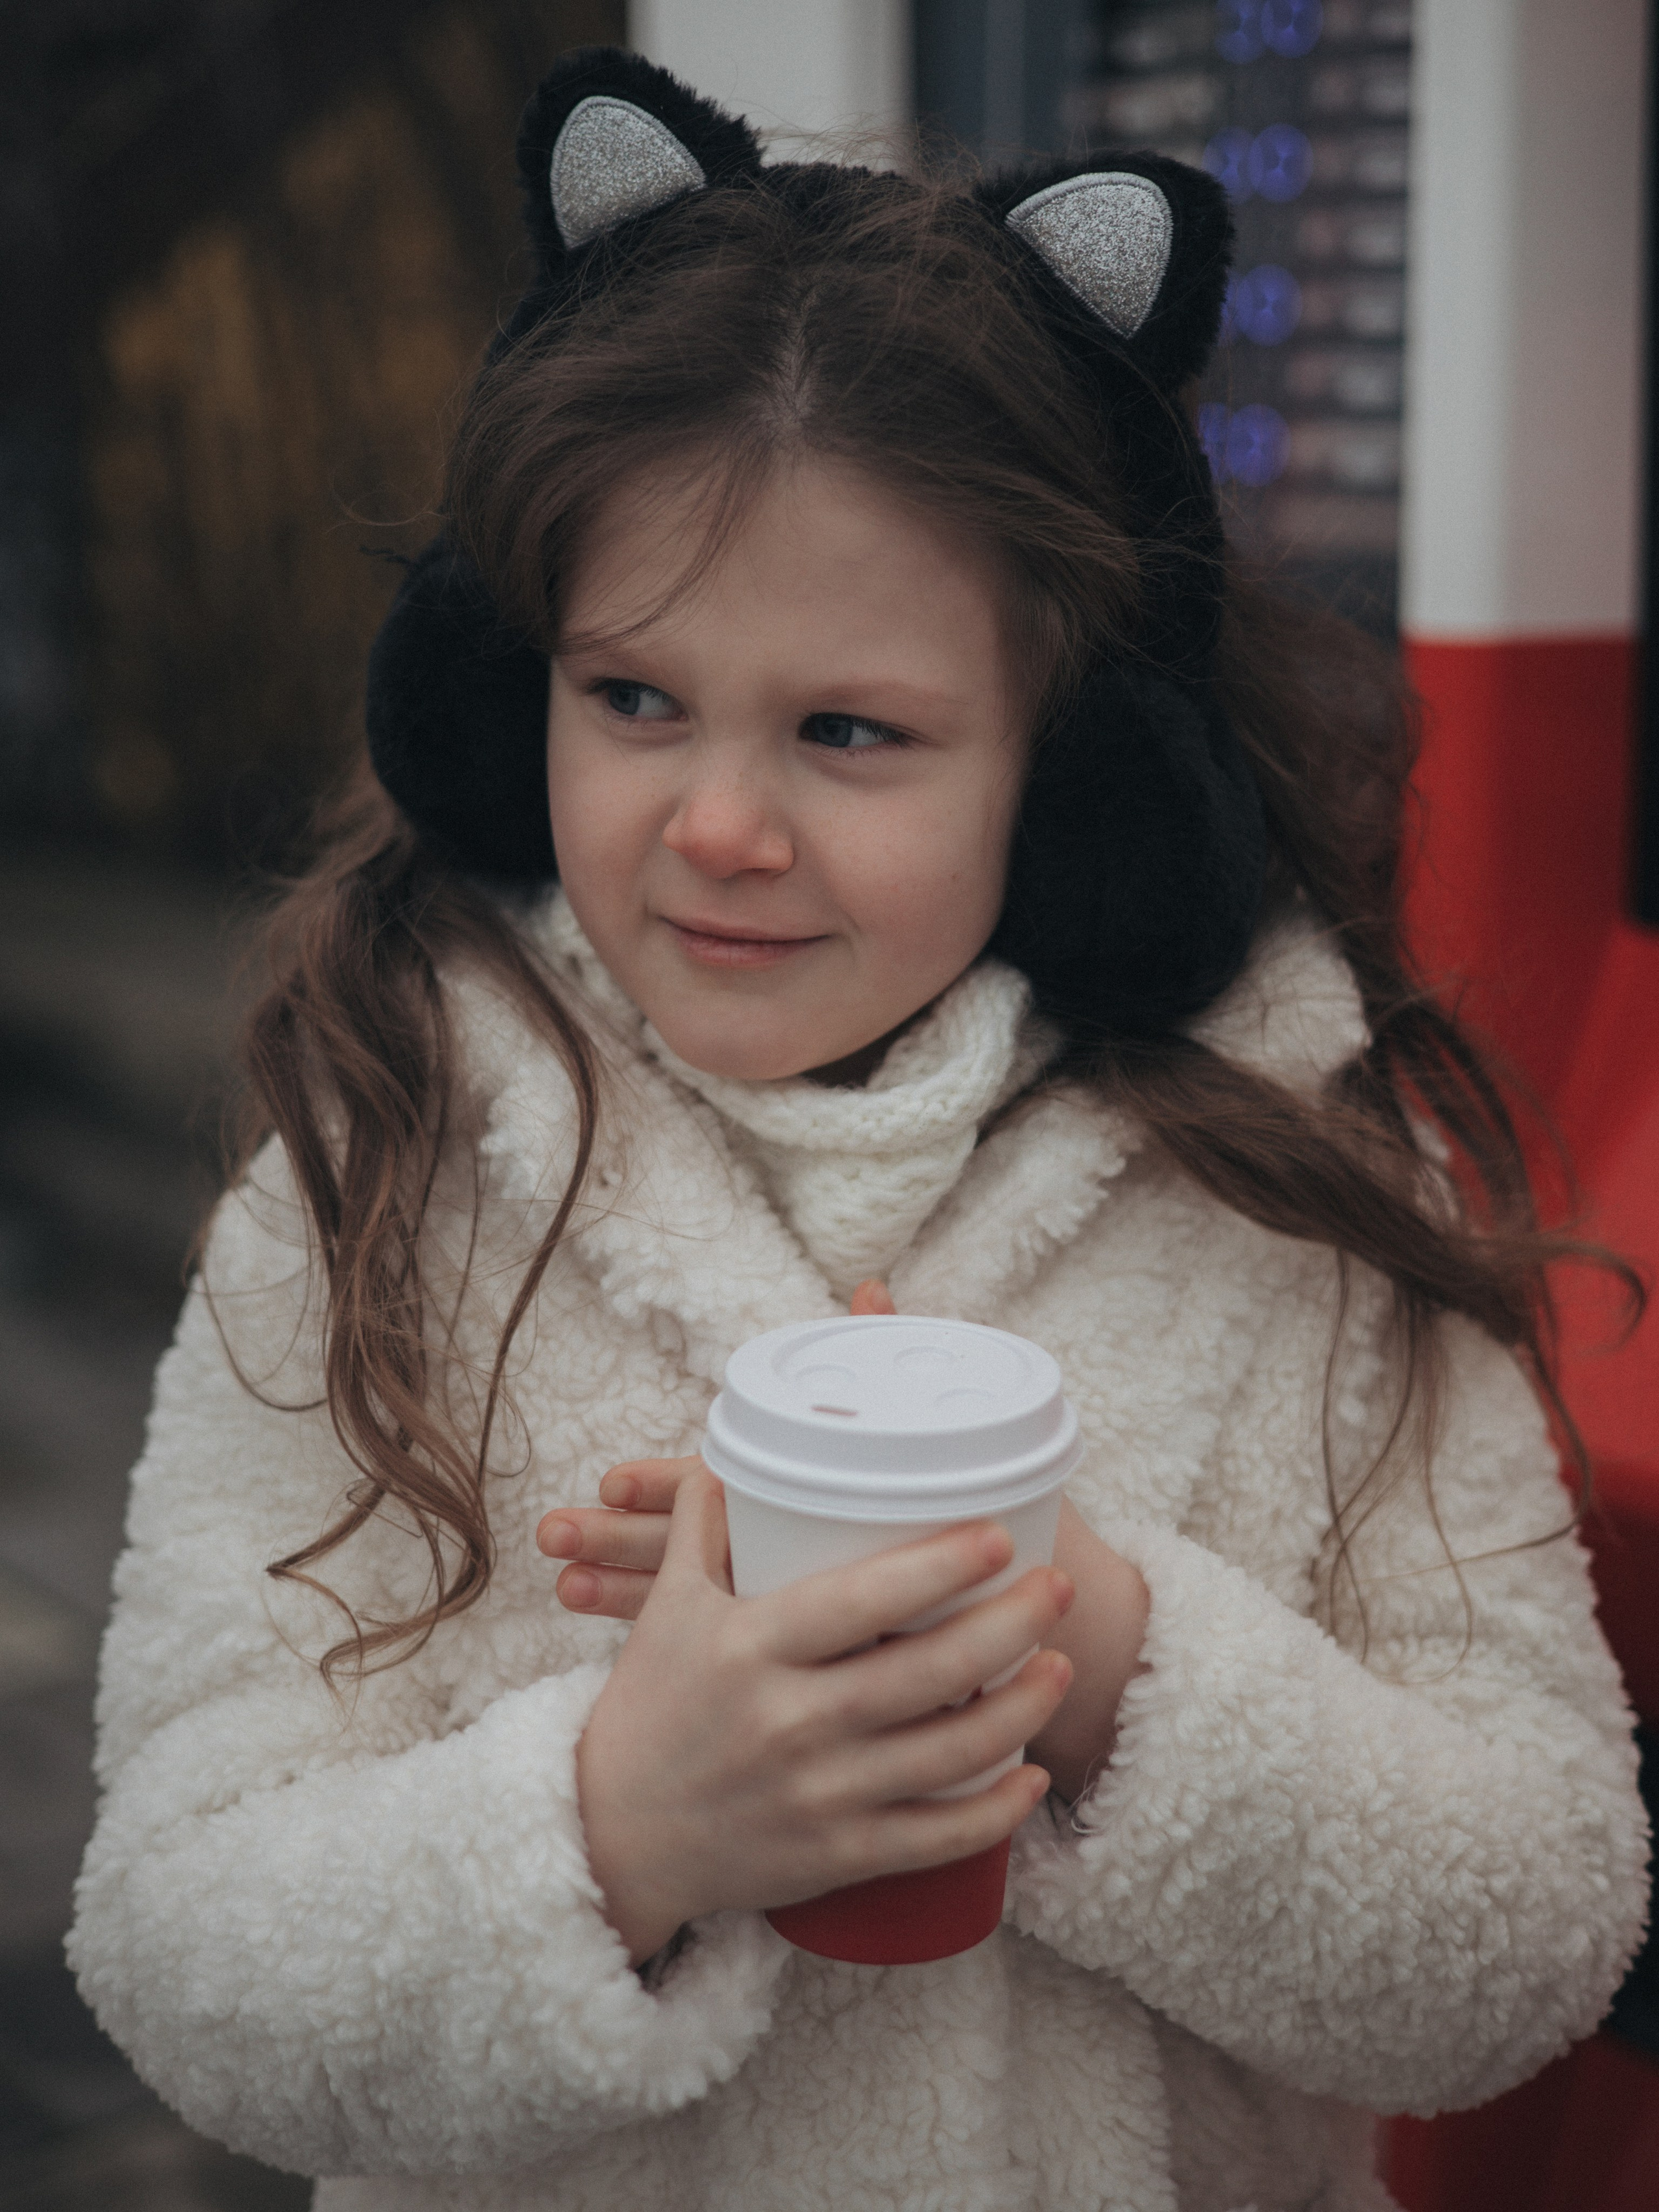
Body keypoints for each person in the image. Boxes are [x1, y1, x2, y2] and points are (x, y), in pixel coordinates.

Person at [69, 46, 1648, 2212]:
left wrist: (1099, 1667)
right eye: (632, 698)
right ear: (498, 684)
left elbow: (1532, 1936)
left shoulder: (1304, 1193)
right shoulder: (380, 1179)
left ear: (1081, 773)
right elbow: (183, 1952)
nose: (717, 822)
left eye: (849, 730)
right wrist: (632, 1824)